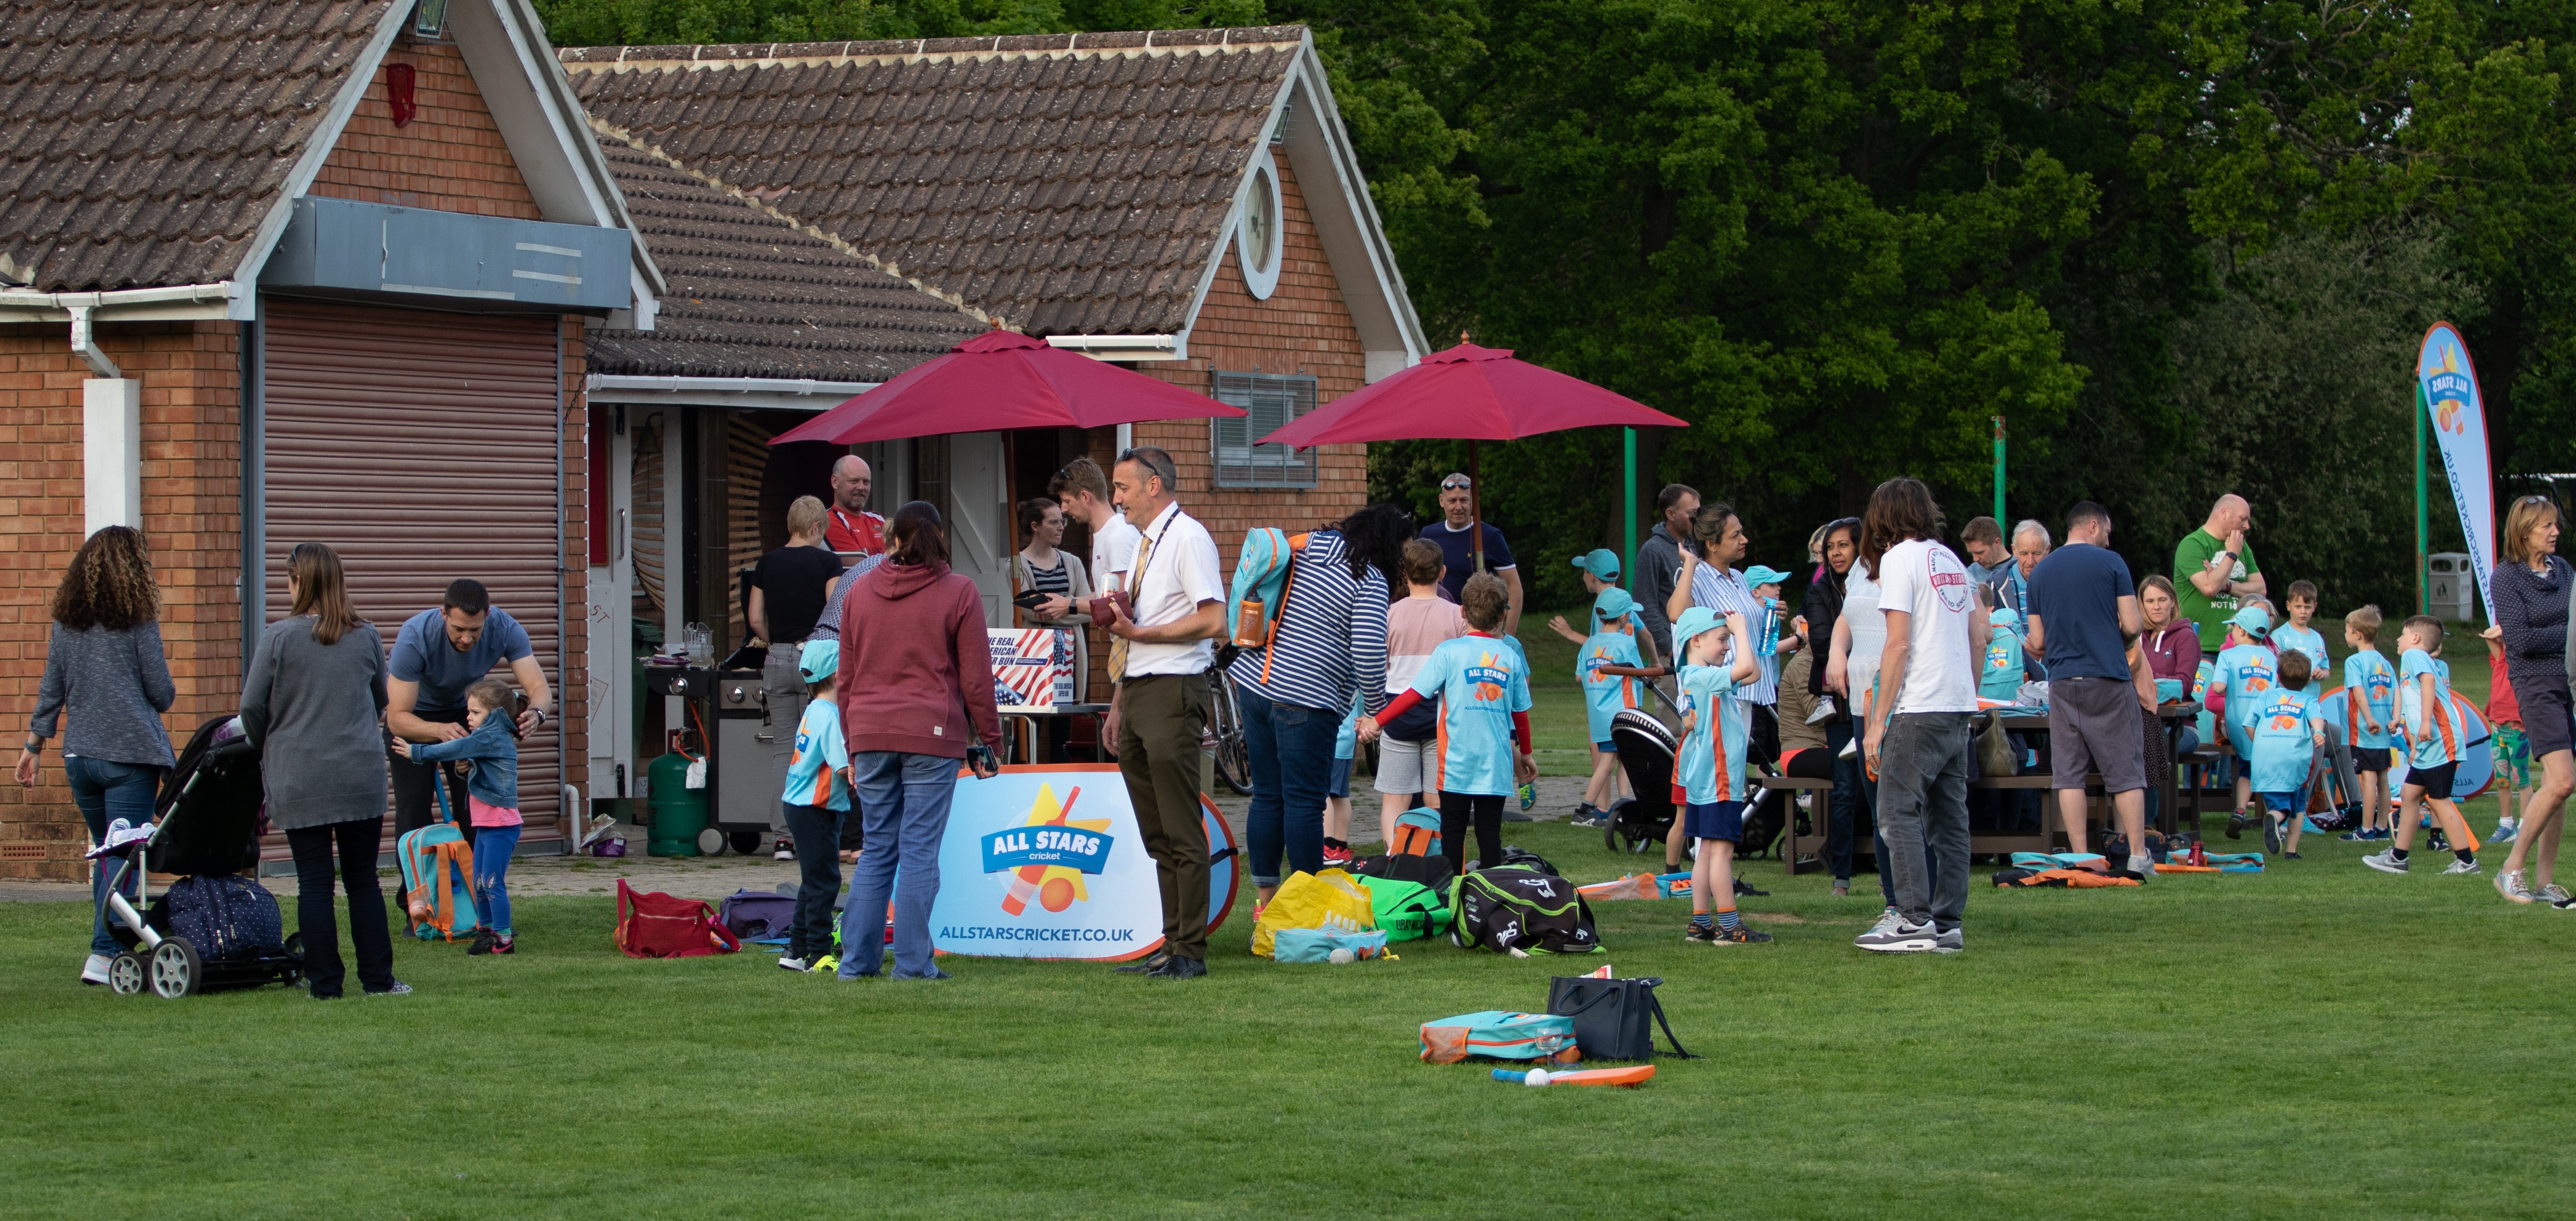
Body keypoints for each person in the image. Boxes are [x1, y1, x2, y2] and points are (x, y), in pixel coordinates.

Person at [834, 501, 1004, 980]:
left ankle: (856, 964)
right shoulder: (959, 591)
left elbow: (846, 679)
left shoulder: (859, 591)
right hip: (931, 733)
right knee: (919, 851)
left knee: (877, 850)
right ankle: (911, 965)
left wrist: (851, 743)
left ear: (893, 539)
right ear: (940, 537)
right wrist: (992, 739)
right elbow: (977, 679)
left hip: (869, 732)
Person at [237, 542, 403, 998]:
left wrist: (266, 741)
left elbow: (251, 707)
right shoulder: (366, 635)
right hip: (359, 773)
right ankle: (379, 981)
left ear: (297, 582)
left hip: (300, 774)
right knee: (363, 879)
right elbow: (381, 699)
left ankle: (325, 985)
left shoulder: (278, 637)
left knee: (314, 882)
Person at [18, 526, 176, 986]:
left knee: (108, 857)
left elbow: (51, 690)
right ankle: (105, 953)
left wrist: (33, 748)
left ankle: (110, 947)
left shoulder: (66, 624)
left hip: (79, 759)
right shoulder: (139, 621)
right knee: (122, 859)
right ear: (135, 570)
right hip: (128, 758)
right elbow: (162, 693)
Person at [1093, 447, 1227, 978]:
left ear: (1153, 486)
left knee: (1180, 828)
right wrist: (1118, 704)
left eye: (1122, 488)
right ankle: (1171, 944)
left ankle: (1189, 950)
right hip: (1141, 690)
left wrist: (1141, 633)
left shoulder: (1188, 536)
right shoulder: (1147, 542)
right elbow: (1135, 632)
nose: (1116, 499)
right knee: (1157, 833)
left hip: (1173, 690)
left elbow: (1214, 620)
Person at [1227, 504, 1403, 907]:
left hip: (1254, 684)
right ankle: (1302, 906)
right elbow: (1368, 651)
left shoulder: (1300, 548)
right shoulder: (1368, 577)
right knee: (1305, 802)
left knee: (1267, 796)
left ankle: (1266, 904)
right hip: (1307, 698)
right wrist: (1375, 709)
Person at [1853, 477, 1988, 954]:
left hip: (1919, 704)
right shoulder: (1951, 559)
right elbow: (1978, 637)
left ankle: (1913, 920)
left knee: (1896, 810)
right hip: (1957, 705)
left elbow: (1898, 644)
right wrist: (1967, 695)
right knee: (1950, 820)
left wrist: (1877, 723)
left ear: (1883, 516)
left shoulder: (1898, 559)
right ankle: (1948, 924)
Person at [1357, 572, 1534, 879]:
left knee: (1452, 832)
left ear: (1463, 612)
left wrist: (1377, 720)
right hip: (1495, 764)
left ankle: (1449, 892)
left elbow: (1413, 695)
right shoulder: (1510, 656)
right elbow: (1521, 715)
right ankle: (1490, 896)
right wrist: (1527, 754)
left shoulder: (1449, 652)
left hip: (1455, 765)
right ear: (1502, 616)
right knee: (1489, 834)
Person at [384, 579, 550, 873]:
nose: (467, 639)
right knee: (414, 810)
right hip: (416, 719)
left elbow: (539, 687)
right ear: (444, 614)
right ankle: (417, 893)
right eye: (458, 629)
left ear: (488, 616)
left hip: (467, 712)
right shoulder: (415, 636)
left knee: (474, 806)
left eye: (475, 630)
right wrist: (439, 731)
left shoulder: (505, 628)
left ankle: (476, 889)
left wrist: (537, 714)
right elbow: (396, 718)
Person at [2023, 501, 2151, 878]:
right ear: (2093, 526)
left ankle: (2081, 857)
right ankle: (2138, 856)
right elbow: (2134, 625)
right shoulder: (2112, 563)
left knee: (2068, 774)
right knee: (2126, 772)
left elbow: (2038, 640)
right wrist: (2115, 638)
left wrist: (2041, 647)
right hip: (2108, 677)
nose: (2109, 540)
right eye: (2107, 533)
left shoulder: (2040, 572)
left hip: (2063, 682)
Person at [392, 676, 523, 955]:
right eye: (469, 712)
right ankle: (485, 932)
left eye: (476, 712)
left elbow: (455, 747)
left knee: (492, 883)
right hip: (486, 824)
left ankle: (504, 938)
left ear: (495, 714)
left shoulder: (490, 736)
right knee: (479, 882)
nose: (469, 718)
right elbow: (480, 766)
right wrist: (469, 767)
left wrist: (416, 751)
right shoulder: (487, 739)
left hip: (501, 825)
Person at [2490, 495, 2576, 906]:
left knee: (2558, 786)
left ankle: (2544, 883)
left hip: (2569, 680)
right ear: (2524, 532)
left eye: (2555, 525)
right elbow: (2521, 641)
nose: (2555, 532)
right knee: (2562, 781)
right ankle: (2511, 868)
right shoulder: (2506, 578)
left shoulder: (2565, 571)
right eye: (2547, 526)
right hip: (2535, 684)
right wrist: (2569, 634)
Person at [1667, 605, 1767, 944]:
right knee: (1722, 853)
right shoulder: (1704, 678)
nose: (1727, 646)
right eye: (1722, 640)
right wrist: (1742, 630)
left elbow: (1752, 674)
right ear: (1696, 640)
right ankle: (1730, 926)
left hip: (1704, 781)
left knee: (1707, 852)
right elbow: (1747, 668)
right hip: (1719, 779)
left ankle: (1701, 923)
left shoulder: (1698, 677)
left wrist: (1738, 636)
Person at [752, 495, 845, 858]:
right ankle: (814, 832)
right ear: (816, 527)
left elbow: (755, 617)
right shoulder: (828, 561)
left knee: (783, 750)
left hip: (776, 657)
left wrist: (775, 640)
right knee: (817, 747)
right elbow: (836, 611)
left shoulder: (766, 562)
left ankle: (781, 839)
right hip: (816, 661)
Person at [2364, 616, 2483, 877]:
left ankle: (2466, 862)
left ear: (2416, 638)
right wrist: (2417, 744)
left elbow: (2428, 683)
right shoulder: (2417, 658)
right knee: (2409, 794)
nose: (2398, 639)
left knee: (2440, 801)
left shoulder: (2413, 655)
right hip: (2429, 744)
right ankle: (2398, 858)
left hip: (2441, 740)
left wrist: (2427, 724)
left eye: (2403, 634)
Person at [1373, 540, 1466, 838]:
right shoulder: (1458, 615)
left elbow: (1379, 665)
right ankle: (1437, 853)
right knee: (1437, 799)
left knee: (1395, 799)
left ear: (1405, 573)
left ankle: (1393, 854)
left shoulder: (1388, 614)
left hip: (1397, 711)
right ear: (1442, 572)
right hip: (1441, 713)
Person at [774, 639, 851, 973]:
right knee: (825, 883)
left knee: (812, 880)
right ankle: (819, 954)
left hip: (800, 805)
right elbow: (843, 767)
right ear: (838, 674)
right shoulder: (831, 716)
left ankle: (796, 949)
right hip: (816, 809)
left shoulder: (814, 710)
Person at [1803, 517, 1866, 896]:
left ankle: (1888, 874)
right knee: (1845, 787)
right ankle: (1841, 874)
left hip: (1877, 697)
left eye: (1844, 545)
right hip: (1841, 701)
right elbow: (1824, 643)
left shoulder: (1876, 583)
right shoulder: (1819, 591)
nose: (1836, 553)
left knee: (1881, 788)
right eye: (1831, 547)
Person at [1012, 496, 1096, 761]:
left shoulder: (1072, 562)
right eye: (1054, 522)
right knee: (1028, 727)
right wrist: (1073, 605)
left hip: (1069, 657)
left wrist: (1064, 608)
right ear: (1035, 526)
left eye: (1063, 521)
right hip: (1033, 658)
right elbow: (1029, 610)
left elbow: (1090, 609)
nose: (1061, 527)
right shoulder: (1016, 564)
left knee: (1063, 731)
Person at [2246, 650, 2328, 858]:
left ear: (2278, 676)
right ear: (2308, 679)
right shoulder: (2308, 700)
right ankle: (2291, 850)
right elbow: (2317, 719)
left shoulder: (2266, 697)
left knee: (2278, 802)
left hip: (2267, 759)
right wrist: (2319, 732)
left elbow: (2248, 723)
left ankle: (2274, 817)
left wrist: (2260, 743)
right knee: (2298, 806)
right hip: (2297, 759)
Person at [1575, 588, 1646, 825]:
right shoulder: (1626, 643)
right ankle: (1584, 810)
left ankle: (1624, 801)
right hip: (1622, 713)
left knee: (1623, 757)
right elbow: (1639, 674)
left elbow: (1579, 677)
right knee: (1608, 763)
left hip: (1599, 715)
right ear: (1624, 617)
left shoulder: (1589, 644)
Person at [1421, 472, 1522, 633]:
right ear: (1442, 501)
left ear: (1473, 501)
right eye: (1452, 501)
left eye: (1464, 500)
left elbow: (1513, 585)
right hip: (1436, 627)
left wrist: (1509, 635)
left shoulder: (1490, 536)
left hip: (1478, 628)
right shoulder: (1428, 535)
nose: (1458, 507)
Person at [2210, 606, 2278, 832]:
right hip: (2266, 725)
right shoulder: (2271, 657)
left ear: (2241, 630)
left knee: (2246, 769)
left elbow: (2218, 688)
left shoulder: (2228, 655)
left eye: (2233, 628)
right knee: (2265, 768)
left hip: (2237, 725)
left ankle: (2240, 810)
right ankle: (2274, 816)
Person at [2175, 494, 2267, 656]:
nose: (2247, 526)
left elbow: (2260, 590)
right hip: (2201, 646)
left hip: (2239, 645)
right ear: (2225, 513)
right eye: (2243, 519)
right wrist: (2231, 554)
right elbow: (2210, 587)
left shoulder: (2241, 545)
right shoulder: (2193, 544)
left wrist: (2226, 586)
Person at [2339, 606, 2398, 842]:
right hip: (2385, 730)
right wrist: (2396, 718)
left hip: (2365, 730)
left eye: (2347, 630)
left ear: (2357, 634)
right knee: (2383, 778)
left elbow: (2359, 692)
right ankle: (2382, 827)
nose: (2345, 634)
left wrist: (2369, 719)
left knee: (2369, 779)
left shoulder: (2354, 662)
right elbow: (2397, 691)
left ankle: (2366, 829)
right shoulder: (2385, 662)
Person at [1631, 483, 1699, 665]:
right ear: (1670, 514)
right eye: (1692, 513)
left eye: (1699, 512)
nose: (1697, 518)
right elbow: (1645, 605)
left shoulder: (1697, 546)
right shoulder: (1653, 551)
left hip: (1700, 648)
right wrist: (1668, 647)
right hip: (1670, 656)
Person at [2482, 625, 2527, 847]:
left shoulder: (2525, 664)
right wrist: (2504, 628)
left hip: (2518, 731)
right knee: (2502, 780)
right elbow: (2488, 635)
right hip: (2498, 730)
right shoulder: (2501, 659)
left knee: (2522, 781)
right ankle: (2506, 824)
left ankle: (2525, 826)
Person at [823, 454, 886, 558]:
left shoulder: (878, 519)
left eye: (866, 482)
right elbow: (859, 566)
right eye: (854, 481)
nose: (861, 487)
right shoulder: (828, 521)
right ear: (835, 482)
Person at [2271, 581, 2328, 692]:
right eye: (2298, 607)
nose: (2303, 612)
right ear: (2288, 606)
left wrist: (2322, 674)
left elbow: (2326, 669)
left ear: (2314, 607)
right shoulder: (2279, 635)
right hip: (2288, 698)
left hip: (2312, 699)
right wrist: (2299, 678)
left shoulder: (2318, 638)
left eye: (2307, 607)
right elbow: (2272, 669)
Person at [1960, 516, 2009, 586]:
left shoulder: (2021, 569)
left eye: (1980, 553)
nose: (1975, 559)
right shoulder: (1971, 573)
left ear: (1997, 543)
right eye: (1972, 553)